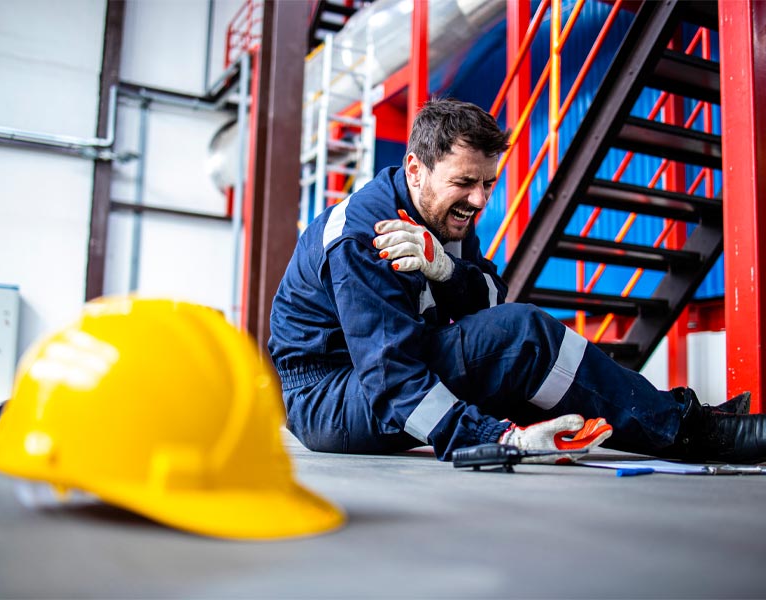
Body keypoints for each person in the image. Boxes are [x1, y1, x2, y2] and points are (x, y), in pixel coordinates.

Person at [269, 97, 766, 464]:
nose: (480, 200)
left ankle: (679, 424)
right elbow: (389, 378)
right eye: (465, 182)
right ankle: (689, 431)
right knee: (522, 338)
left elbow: (488, 299)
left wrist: (443, 268)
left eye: (488, 183)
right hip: (329, 396)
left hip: (383, 372)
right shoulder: (365, 237)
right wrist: (494, 438)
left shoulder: (443, 219)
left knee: (517, 347)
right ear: (415, 169)